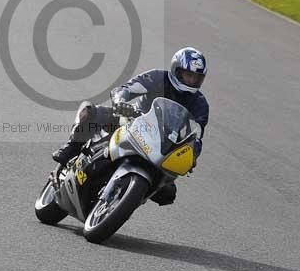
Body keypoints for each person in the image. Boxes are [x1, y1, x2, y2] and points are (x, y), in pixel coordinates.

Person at [51, 47, 210, 205]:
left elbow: (197, 137)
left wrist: (192, 155)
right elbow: (126, 88)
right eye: (188, 75)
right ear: (176, 70)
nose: (192, 81)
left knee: (168, 193)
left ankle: (127, 198)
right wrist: (120, 102)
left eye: (196, 78)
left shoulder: (200, 104)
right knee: (90, 112)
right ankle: (71, 147)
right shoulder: (157, 77)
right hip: (133, 121)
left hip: (162, 144)